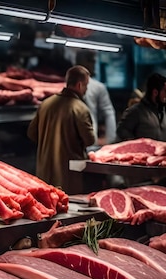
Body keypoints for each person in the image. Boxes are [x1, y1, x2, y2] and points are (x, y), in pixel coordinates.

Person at [27, 65, 96, 193]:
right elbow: (90, 140)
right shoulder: (80, 108)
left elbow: (31, 133)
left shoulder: (45, 104)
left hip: (44, 174)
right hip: (69, 176)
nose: (86, 90)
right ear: (80, 85)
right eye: (86, 86)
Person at [75, 50, 117, 146]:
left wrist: (110, 141)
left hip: (89, 143)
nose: (93, 65)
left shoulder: (98, 87)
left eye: (94, 61)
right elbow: (109, 113)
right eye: (91, 61)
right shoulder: (64, 85)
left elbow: (109, 113)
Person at [117, 72, 166, 142]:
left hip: (163, 151)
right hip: (144, 151)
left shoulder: (165, 111)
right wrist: (137, 146)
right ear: (155, 92)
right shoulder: (136, 111)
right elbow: (122, 131)